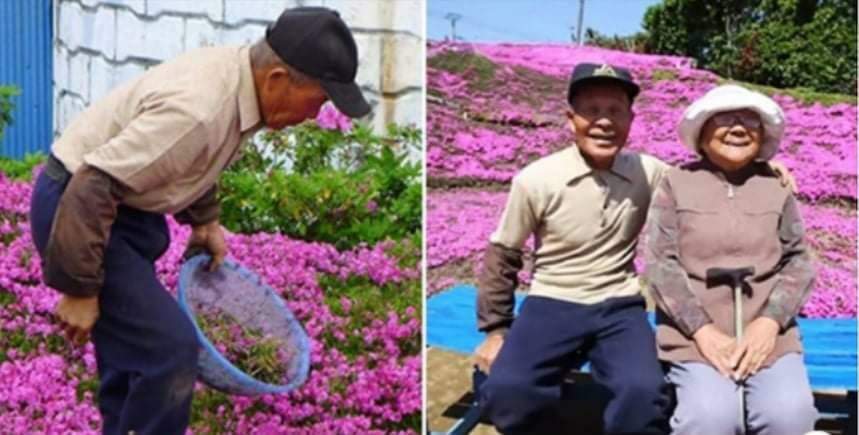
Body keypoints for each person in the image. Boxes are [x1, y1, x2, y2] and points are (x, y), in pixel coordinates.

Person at [29, 7, 370, 434]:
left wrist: (205, 222)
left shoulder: (240, 80)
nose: (316, 115)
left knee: (132, 357)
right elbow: (93, 183)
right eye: (319, 100)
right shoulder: (199, 110)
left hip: (120, 209)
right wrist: (79, 288)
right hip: (80, 210)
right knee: (169, 352)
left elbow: (190, 158)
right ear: (278, 79)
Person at [475, 63, 671, 434]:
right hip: (552, 301)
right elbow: (503, 253)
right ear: (571, 119)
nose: (604, 122)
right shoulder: (537, 179)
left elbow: (703, 180)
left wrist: (764, 168)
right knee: (507, 390)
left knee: (644, 392)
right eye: (591, 110)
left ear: (631, 120)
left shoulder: (650, 172)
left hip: (620, 306)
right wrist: (496, 330)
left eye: (615, 111)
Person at [643, 84, 817, 434]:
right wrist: (703, 332)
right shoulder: (675, 184)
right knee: (710, 418)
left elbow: (798, 260)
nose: (738, 128)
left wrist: (768, 324)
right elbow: (662, 264)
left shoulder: (776, 186)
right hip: (694, 337)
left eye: (749, 120)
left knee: (788, 416)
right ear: (703, 132)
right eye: (724, 118)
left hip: (769, 336)